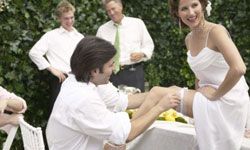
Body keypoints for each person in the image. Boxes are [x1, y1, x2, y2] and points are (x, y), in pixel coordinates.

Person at [133, 0, 250, 149]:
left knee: (157, 93)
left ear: (202, 5)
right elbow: (200, 75)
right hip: (209, 97)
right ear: (177, 13)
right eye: (184, 8)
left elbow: (239, 68)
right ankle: (124, 133)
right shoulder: (189, 39)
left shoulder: (216, 31)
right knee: (163, 93)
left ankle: (123, 135)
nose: (191, 12)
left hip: (228, 98)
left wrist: (216, 95)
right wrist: (197, 93)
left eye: (194, 5)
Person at [46, 36, 179, 150]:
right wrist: (160, 107)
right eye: (110, 66)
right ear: (94, 71)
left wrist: (155, 93)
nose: (114, 70)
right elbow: (127, 134)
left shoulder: (75, 82)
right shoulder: (84, 98)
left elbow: (123, 102)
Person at [29, 0, 84, 116]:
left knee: (78, 114)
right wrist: (51, 68)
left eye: (71, 17)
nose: (69, 21)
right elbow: (34, 53)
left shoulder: (80, 37)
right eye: (66, 18)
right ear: (59, 19)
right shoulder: (51, 36)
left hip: (79, 80)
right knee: (58, 115)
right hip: (61, 80)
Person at [96, 0, 154, 92]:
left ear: (121, 7)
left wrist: (142, 54)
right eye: (108, 11)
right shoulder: (102, 30)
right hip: (111, 75)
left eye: (113, 9)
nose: (111, 13)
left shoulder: (137, 24)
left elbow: (148, 45)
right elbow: (97, 54)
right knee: (113, 105)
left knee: (137, 103)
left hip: (134, 73)